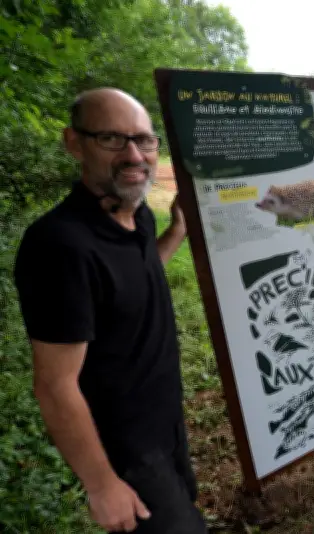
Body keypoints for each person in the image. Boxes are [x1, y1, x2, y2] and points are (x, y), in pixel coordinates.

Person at [13, 88, 207, 533]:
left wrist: (175, 231)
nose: (134, 154)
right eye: (112, 139)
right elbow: (54, 385)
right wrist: (102, 485)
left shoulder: (134, 214)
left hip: (165, 422)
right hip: (126, 451)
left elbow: (131, 279)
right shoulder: (61, 246)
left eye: (145, 140)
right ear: (74, 143)